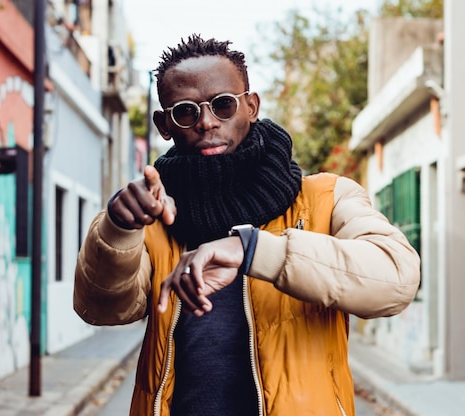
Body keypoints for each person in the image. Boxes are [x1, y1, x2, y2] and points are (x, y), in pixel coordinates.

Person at [74, 34, 420, 416]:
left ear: (251, 106)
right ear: (164, 125)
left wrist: (255, 250)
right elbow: (101, 309)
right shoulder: (153, 218)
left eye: (223, 105)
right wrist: (119, 228)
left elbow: (397, 278)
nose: (206, 122)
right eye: (186, 112)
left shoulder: (327, 197)